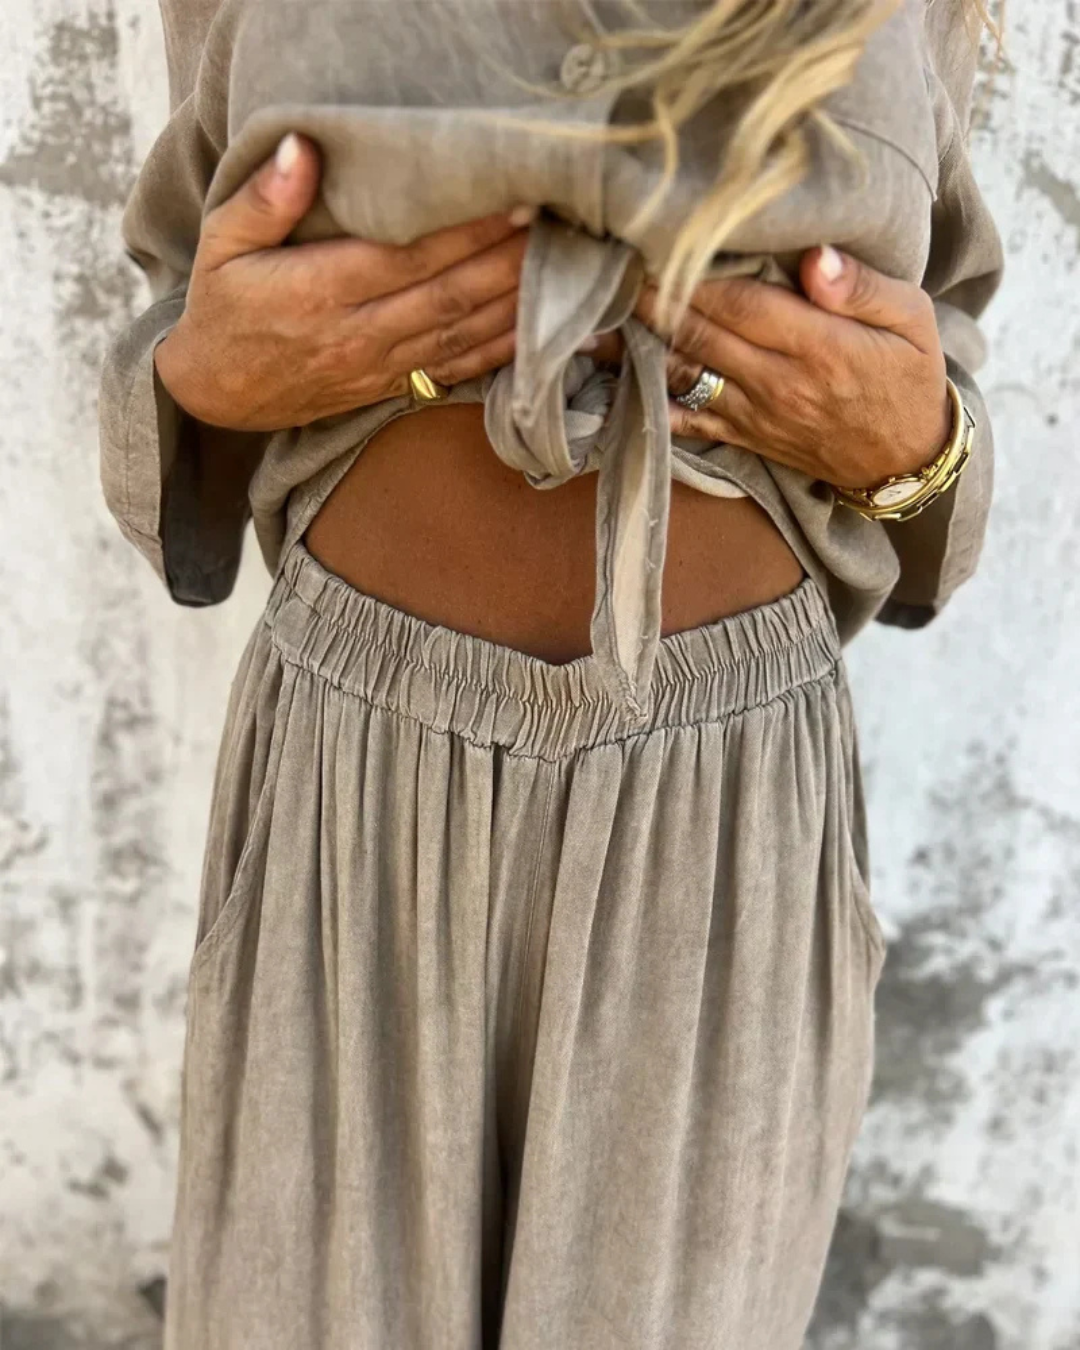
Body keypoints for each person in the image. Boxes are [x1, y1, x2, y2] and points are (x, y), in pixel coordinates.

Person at [99, 1, 1003, 1346]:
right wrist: (201, 378)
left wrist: (919, 448)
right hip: (354, 792)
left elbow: (938, 338)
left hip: (726, 822)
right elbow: (193, 285)